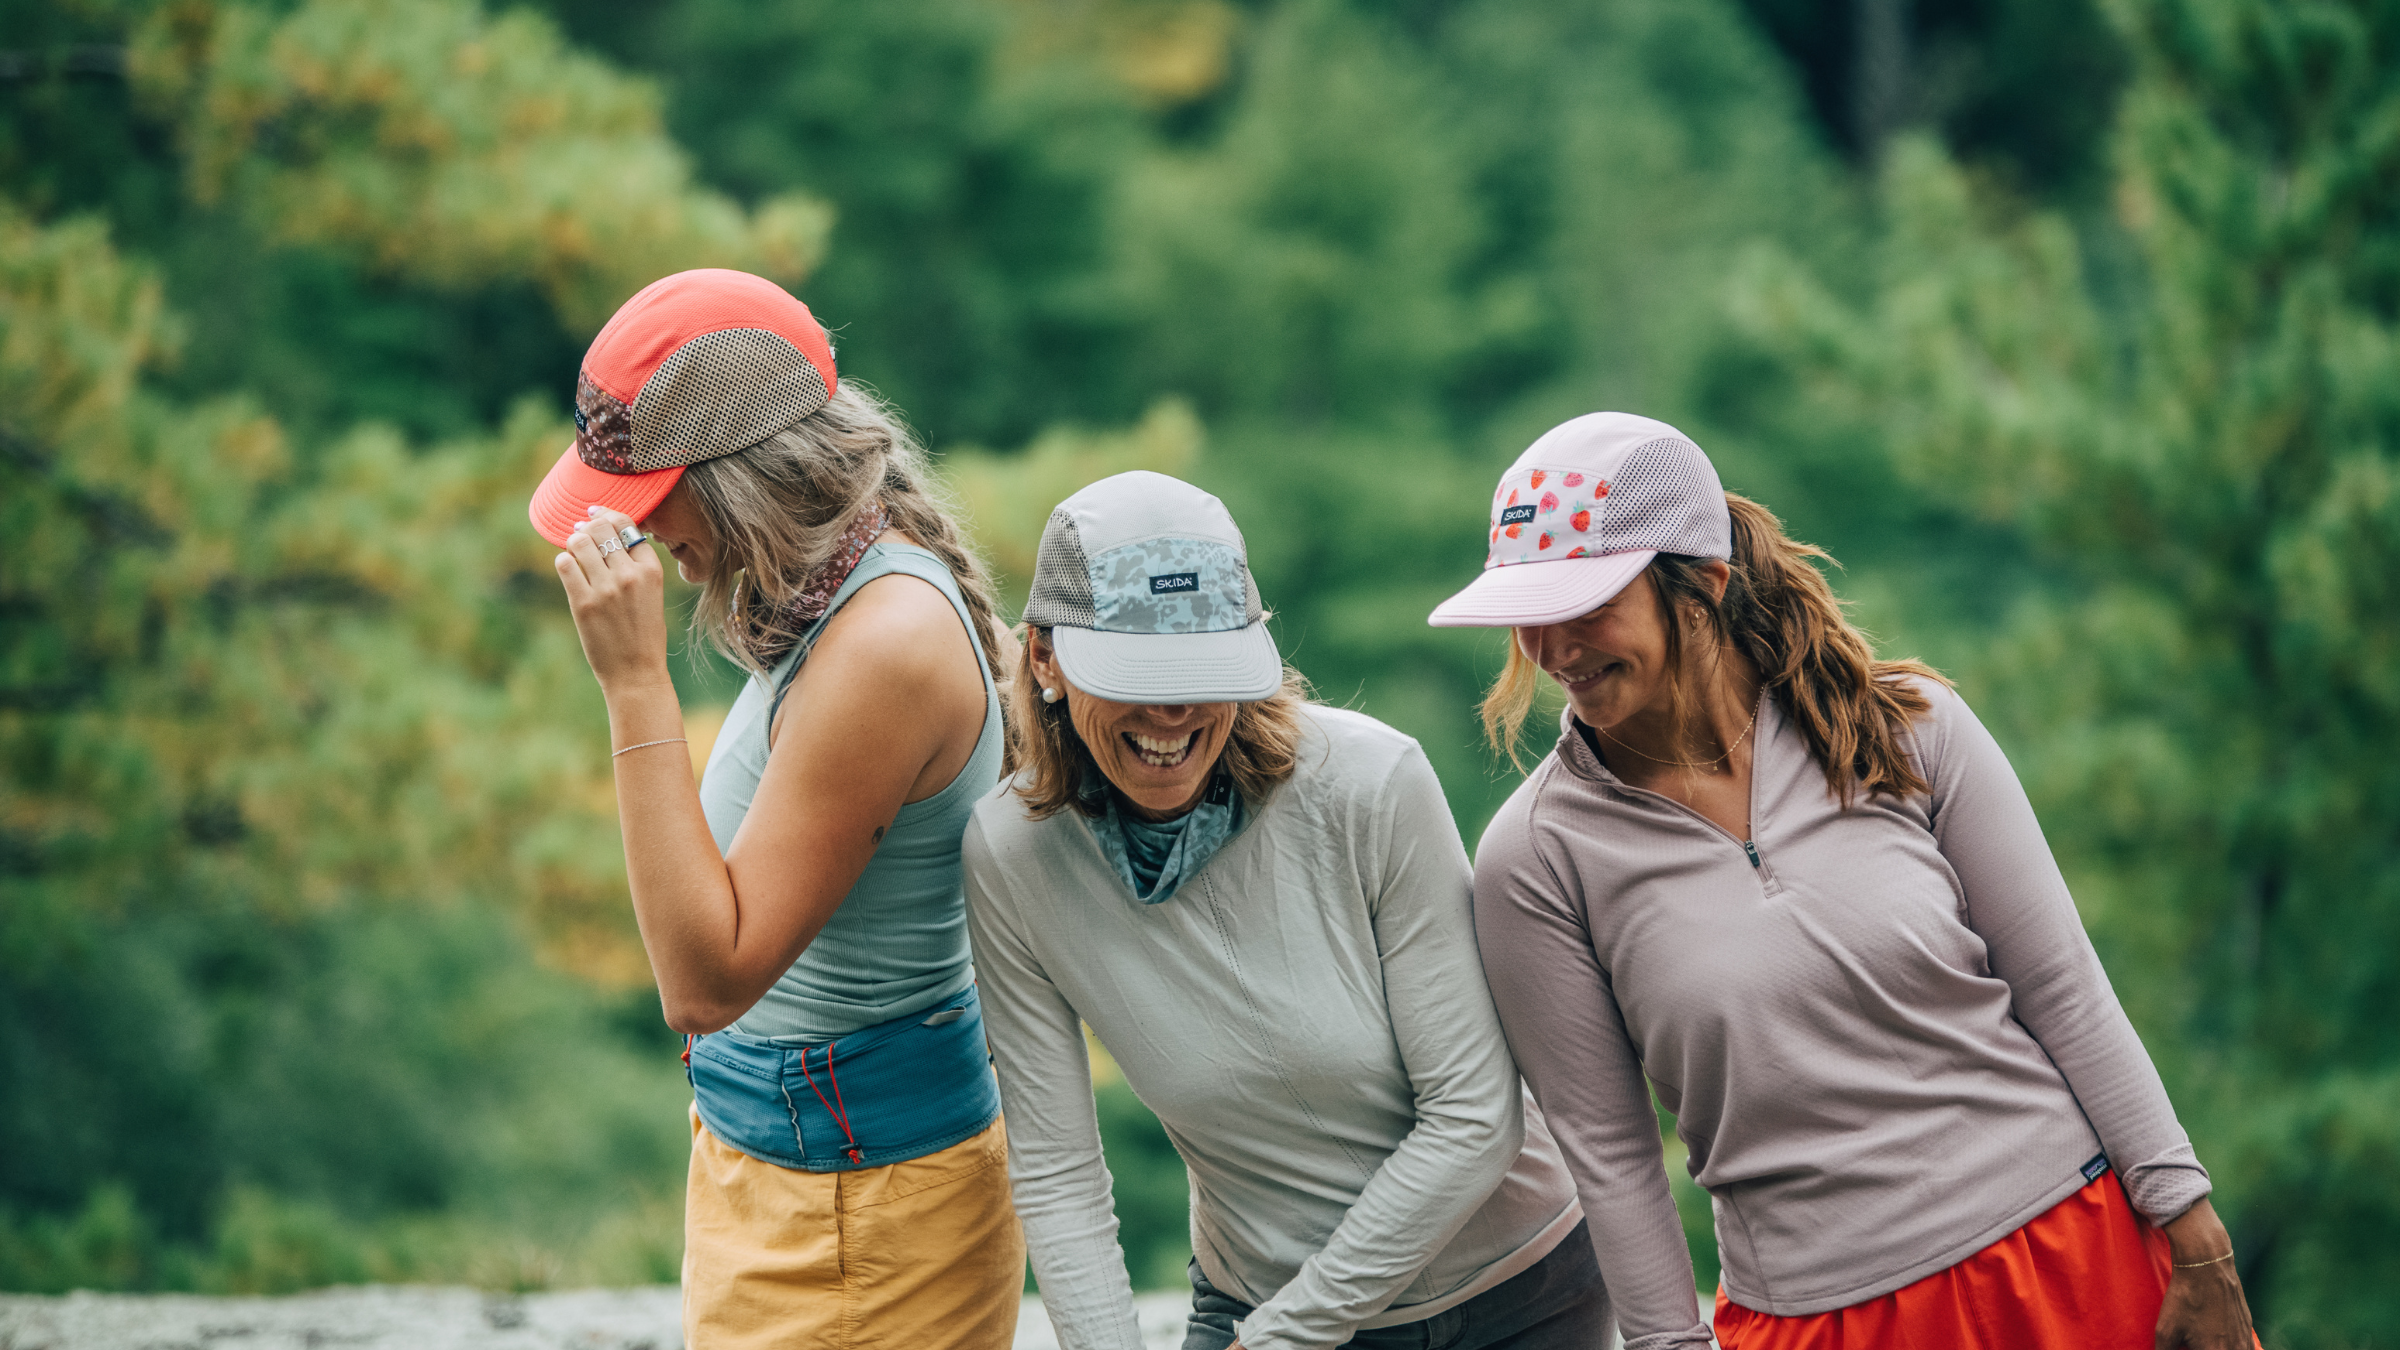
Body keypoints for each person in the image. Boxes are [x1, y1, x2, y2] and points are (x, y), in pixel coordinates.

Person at [1428, 412, 2259, 1350]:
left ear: (1700, 585)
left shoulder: (1905, 727)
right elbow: (1613, 1158)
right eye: (1530, 616)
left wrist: (2192, 1228)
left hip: (2073, 1260)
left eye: (1587, 606)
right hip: (1821, 1321)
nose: (1555, 648)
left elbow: (2064, 988)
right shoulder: (1535, 862)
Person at [963, 471, 1604, 1350]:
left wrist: (1285, 1337)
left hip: (1516, 1299)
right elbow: (1059, 1172)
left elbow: (1474, 1117)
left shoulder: (1371, 784)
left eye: (1202, 670)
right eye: (1139, 673)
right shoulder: (1013, 854)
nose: (1174, 711)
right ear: (1045, 657)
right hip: (1253, 1296)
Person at [529, 268, 1023, 1349]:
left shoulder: (885, 644)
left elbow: (704, 982)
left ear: (746, 471)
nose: (641, 531)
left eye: (652, 495)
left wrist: (634, 687)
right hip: (800, 1181)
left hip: (864, 1220)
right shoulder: (834, 584)